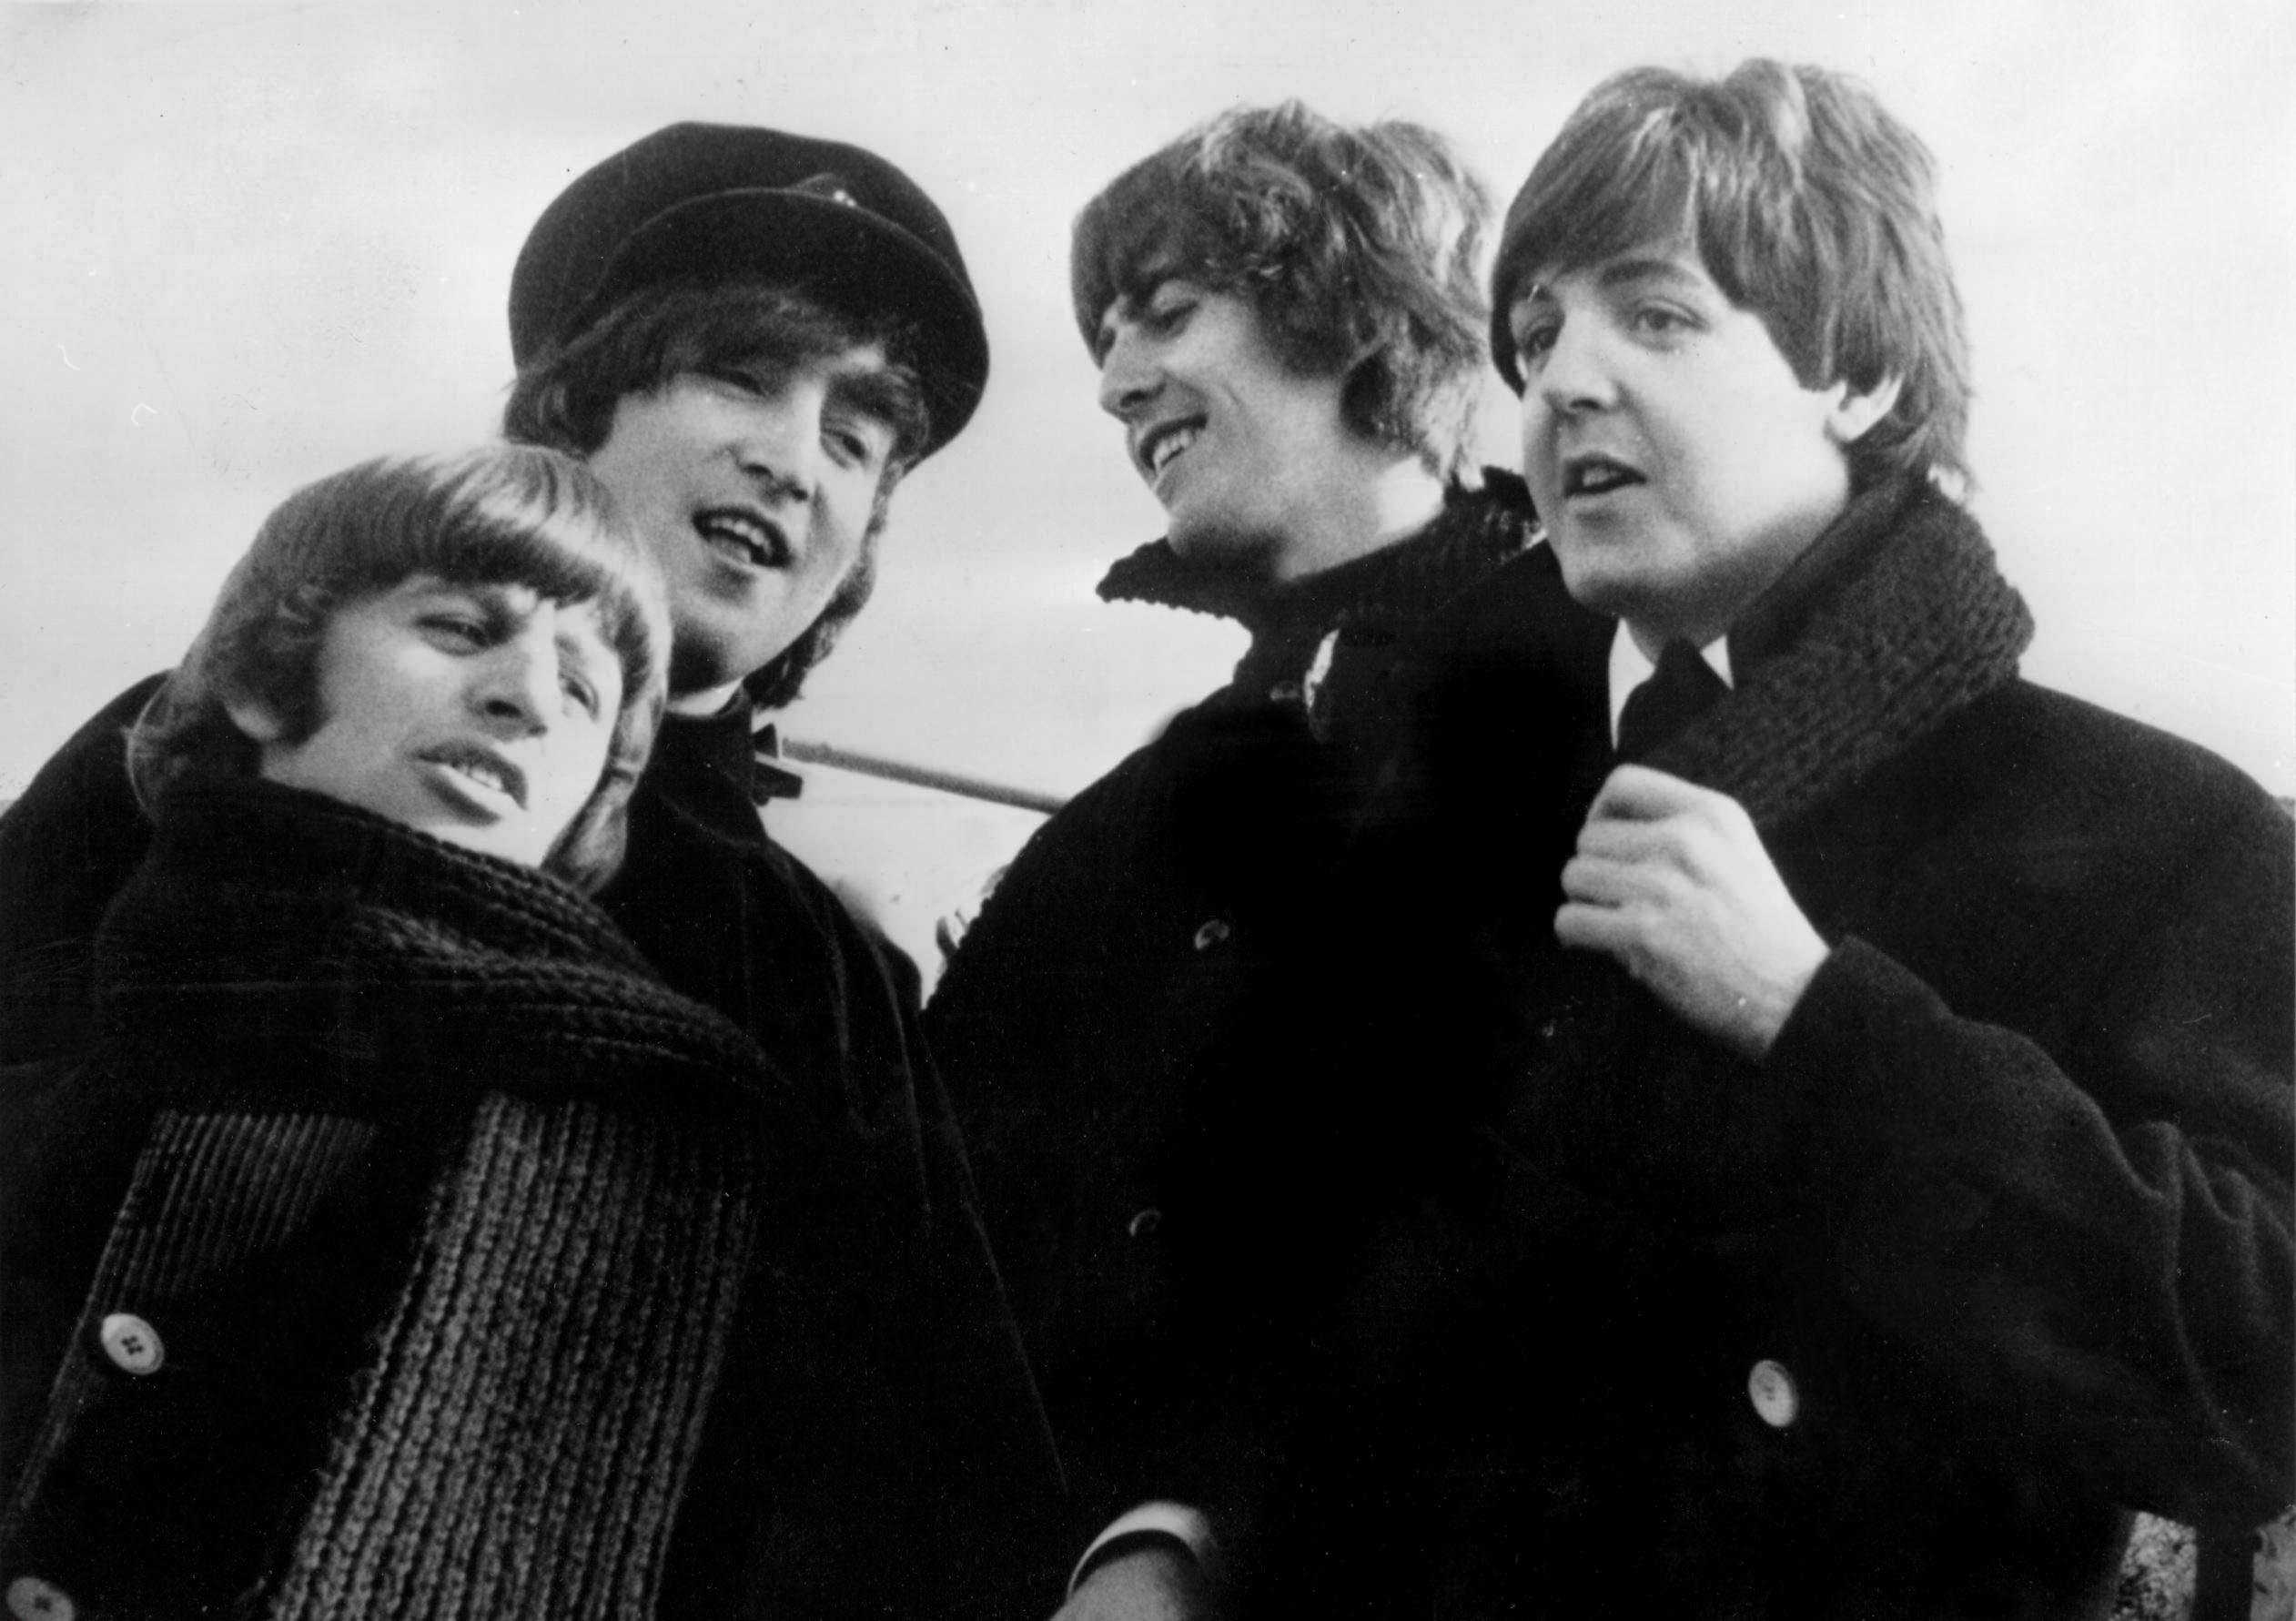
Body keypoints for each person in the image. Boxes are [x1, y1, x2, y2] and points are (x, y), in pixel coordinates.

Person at [0, 126, 1060, 1615]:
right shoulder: (191, 759)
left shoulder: (815, 971)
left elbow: (926, 1482)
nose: (792, 458)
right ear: (570, 411)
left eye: (857, 438)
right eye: (740, 375)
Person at [1314, 59, 2289, 1619]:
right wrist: (1173, 1529)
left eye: (1656, 315)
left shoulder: (2151, 830)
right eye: (1537, 334)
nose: (1562, 384)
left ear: (1864, 377)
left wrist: (1819, 1019)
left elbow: (2257, 1379)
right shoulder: (1436, 805)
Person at [922, 102, 1532, 1616]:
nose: (1117, 383)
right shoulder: (1110, 834)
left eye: (1167, 312)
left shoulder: (1608, 720)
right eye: (1106, 341)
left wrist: (1205, 1528)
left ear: (1357, 311)